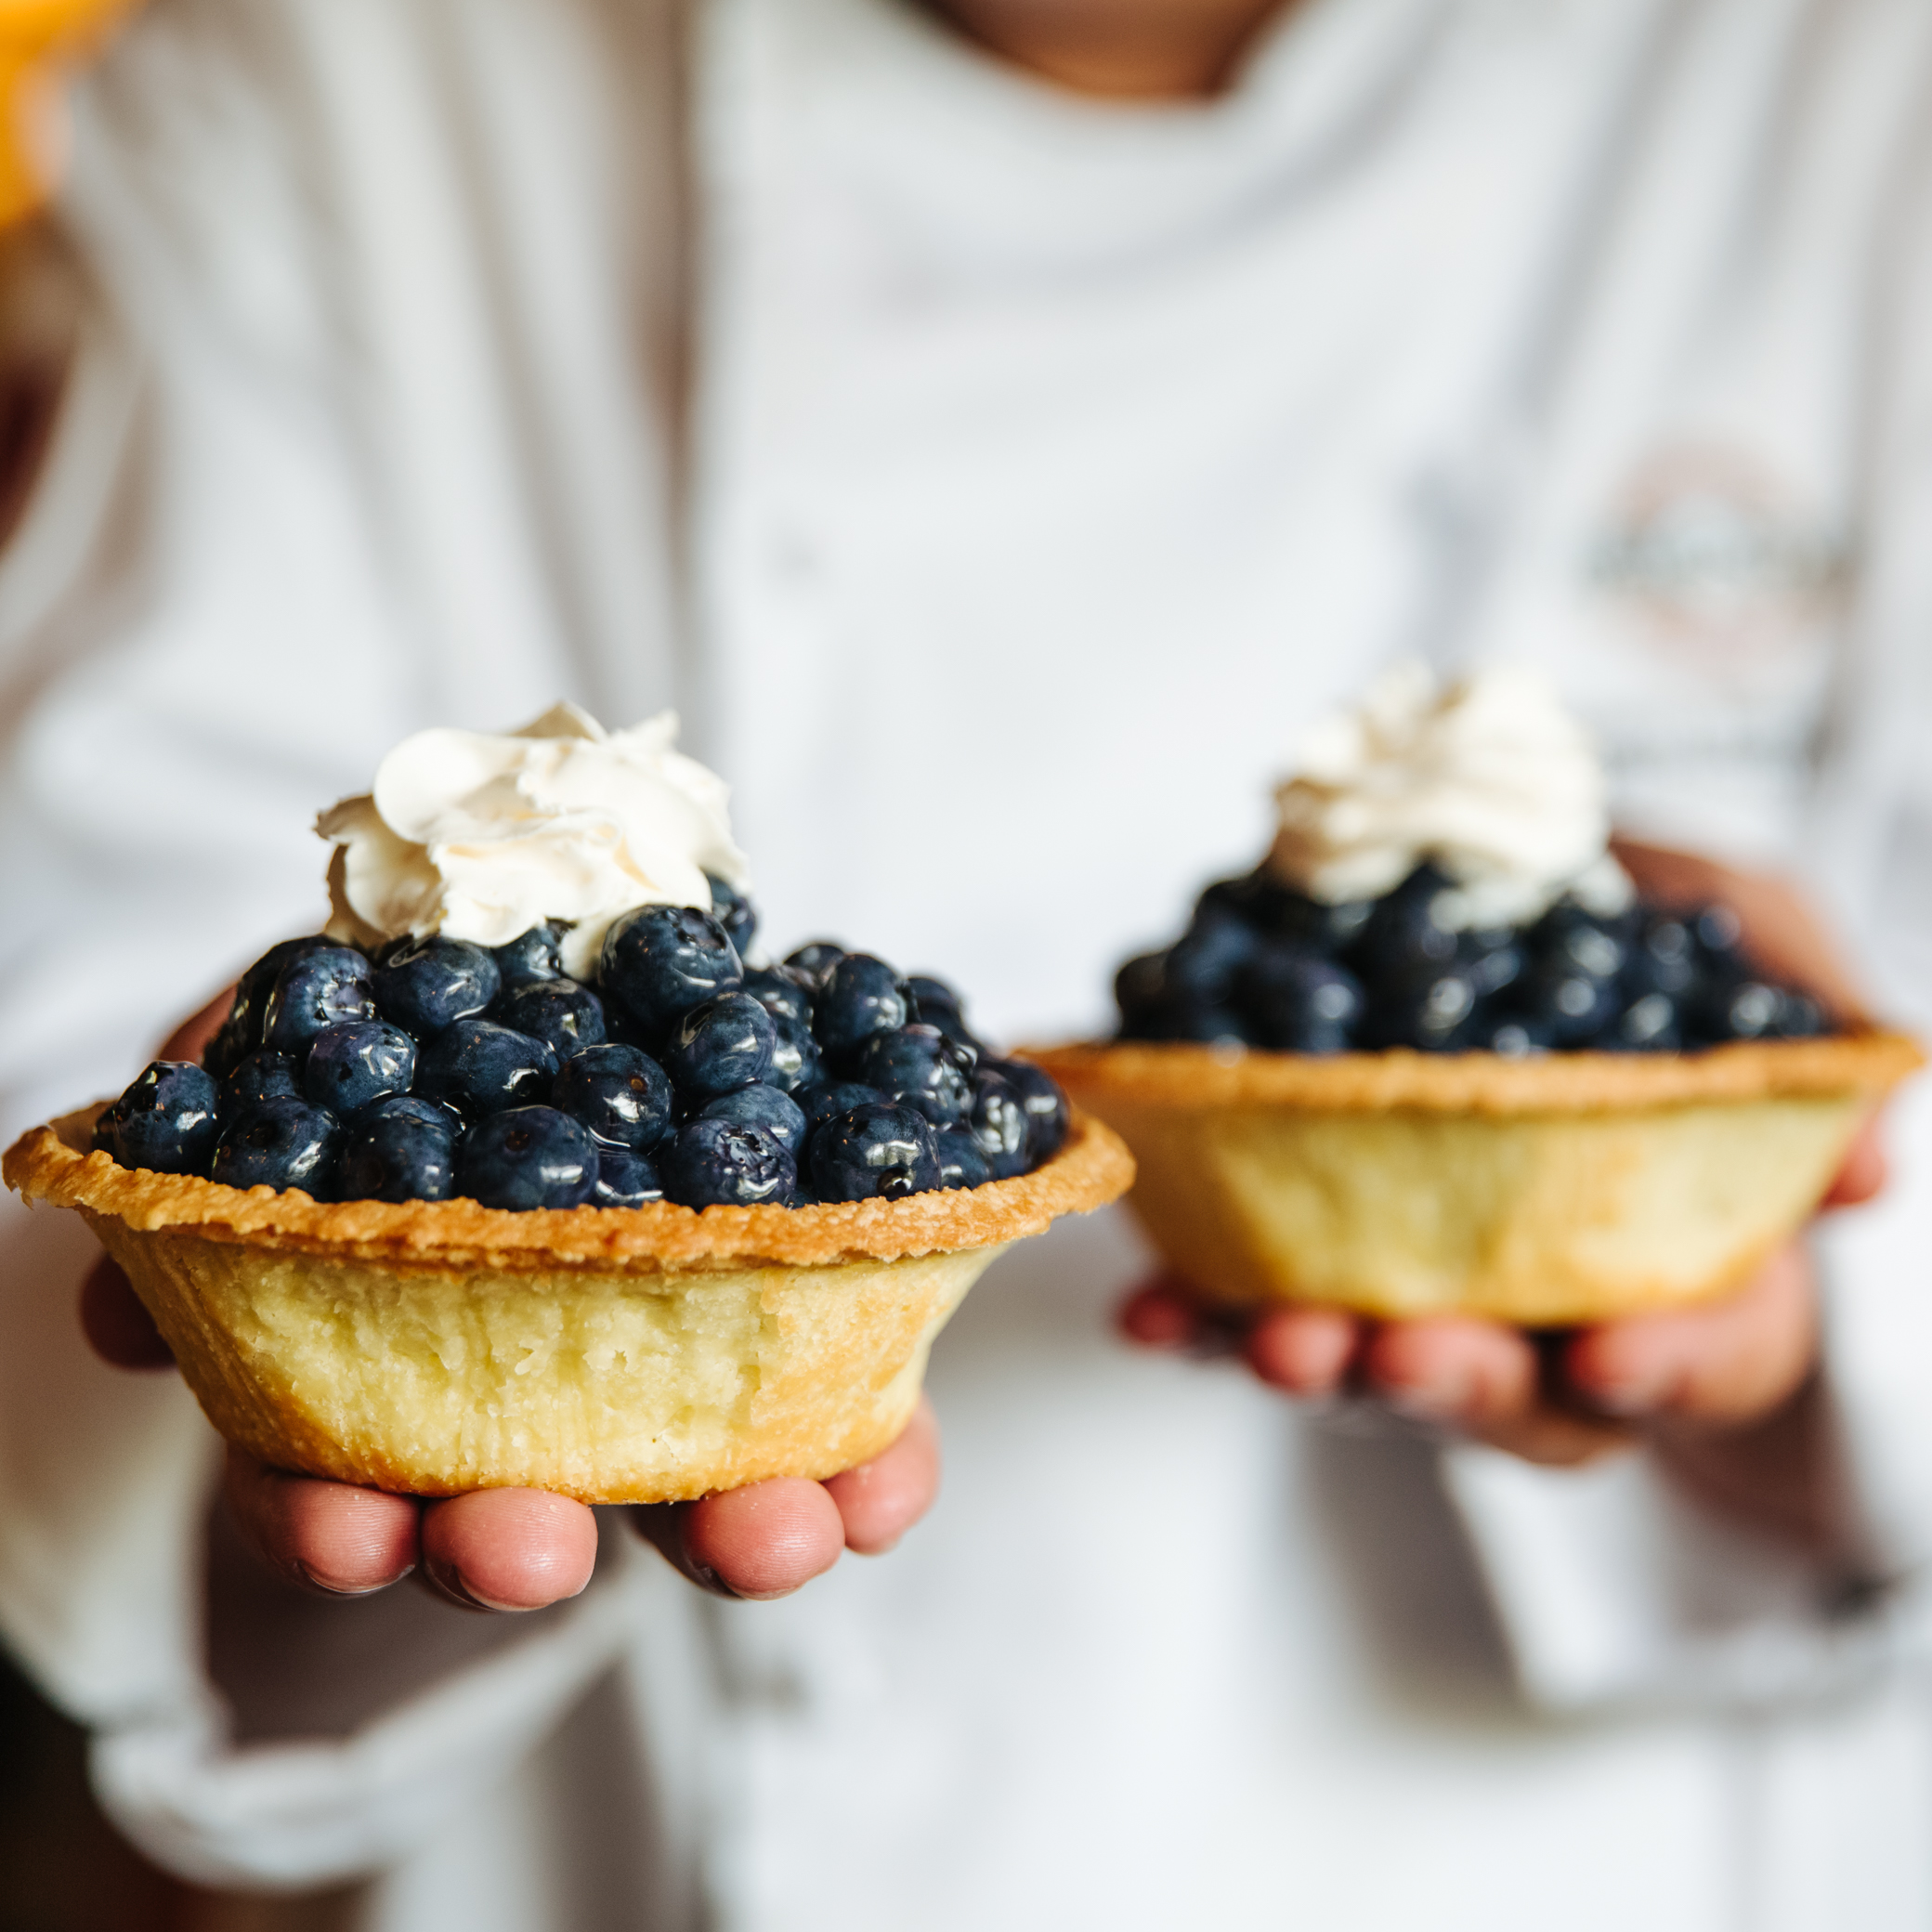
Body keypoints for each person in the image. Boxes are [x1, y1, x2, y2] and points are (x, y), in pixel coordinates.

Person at [5, 0, 1932, 1925]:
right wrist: (299, 1382)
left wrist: (1792, 1326)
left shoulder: (1847, 88)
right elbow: (84, 1064)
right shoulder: (317, 74)